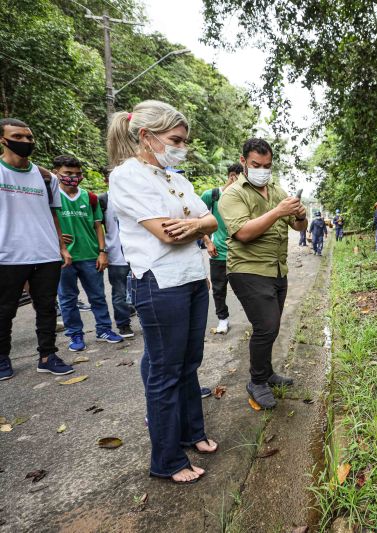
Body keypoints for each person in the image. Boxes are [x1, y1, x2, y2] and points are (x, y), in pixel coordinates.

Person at [108, 100, 219, 484]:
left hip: (191, 278)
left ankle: (193, 432)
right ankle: (167, 459)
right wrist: (196, 226)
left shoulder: (176, 178)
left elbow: (210, 219)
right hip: (159, 282)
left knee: (190, 363)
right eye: (175, 139)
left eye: (183, 140)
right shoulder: (127, 176)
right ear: (146, 136)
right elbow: (165, 233)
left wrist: (197, 224)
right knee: (165, 371)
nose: (181, 146)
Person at [219, 138, 308, 409]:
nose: (262, 170)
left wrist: (301, 215)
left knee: (272, 326)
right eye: (256, 165)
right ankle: (257, 381)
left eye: (267, 165)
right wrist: (278, 211)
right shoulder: (233, 194)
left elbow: (299, 228)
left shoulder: (278, 192)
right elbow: (243, 232)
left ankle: (267, 373)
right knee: (266, 326)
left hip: (277, 269)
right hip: (248, 269)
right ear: (244, 161)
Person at [0, 118, 74, 380]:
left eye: (29, 137)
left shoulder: (45, 177)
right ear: (3, 140)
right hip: (7, 255)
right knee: (5, 310)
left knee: (46, 308)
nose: (25, 142)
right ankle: (2, 358)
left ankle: (47, 355)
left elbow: (54, 215)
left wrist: (62, 247)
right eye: (18, 137)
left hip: (45, 253)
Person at [54, 156, 124, 351]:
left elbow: (98, 226)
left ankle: (103, 329)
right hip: (63, 258)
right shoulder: (51, 197)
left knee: (98, 296)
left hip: (90, 255)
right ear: (56, 173)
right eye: (68, 173)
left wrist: (102, 252)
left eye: (77, 174)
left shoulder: (90, 197)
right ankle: (75, 335)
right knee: (67, 299)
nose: (73, 177)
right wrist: (57, 239)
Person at [201, 162, 242, 335]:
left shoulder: (244, 197)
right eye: (240, 179)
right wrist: (208, 242)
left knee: (246, 288)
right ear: (232, 176)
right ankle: (222, 319)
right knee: (219, 289)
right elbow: (197, 219)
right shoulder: (212, 195)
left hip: (240, 254)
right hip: (218, 253)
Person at [99, 182, 136, 338]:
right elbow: (96, 227)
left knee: (142, 290)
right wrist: (102, 252)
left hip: (138, 255)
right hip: (116, 256)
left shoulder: (135, 197)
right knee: (119, 293)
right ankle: (123, 324)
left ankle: (147, 320)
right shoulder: (104, 199)